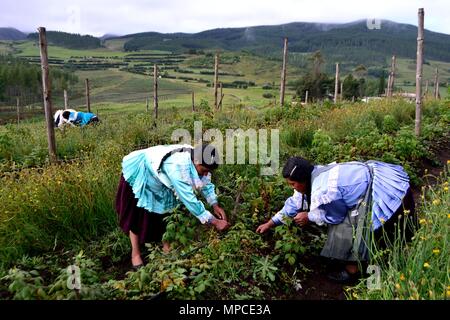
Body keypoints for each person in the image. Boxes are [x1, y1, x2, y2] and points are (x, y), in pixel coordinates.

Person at [256, 157, 416, 283]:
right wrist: (270, 223)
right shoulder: (314, 174)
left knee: (347, 225)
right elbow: (293, 203)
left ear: (302, 180)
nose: (293, 187)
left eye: (293, 184)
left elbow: (337, 217)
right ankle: (375, 257)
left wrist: (309, 216)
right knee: (351, 219)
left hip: (389, 195)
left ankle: (353, 270)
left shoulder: (323, 188)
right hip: (379, 181)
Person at [116, 143, 230, 269]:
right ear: (196, 162)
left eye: (207, 172)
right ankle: (135, 254)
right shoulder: (177, 167)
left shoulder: (200, 159)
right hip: (141, 174)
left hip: (161, 180)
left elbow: (205, 182)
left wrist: (215, 205)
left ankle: (166, 247)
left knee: (166, 213)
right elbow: (189, 199)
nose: (204, 174)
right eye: (204, 171)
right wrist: (214, 222)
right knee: (137, 216)